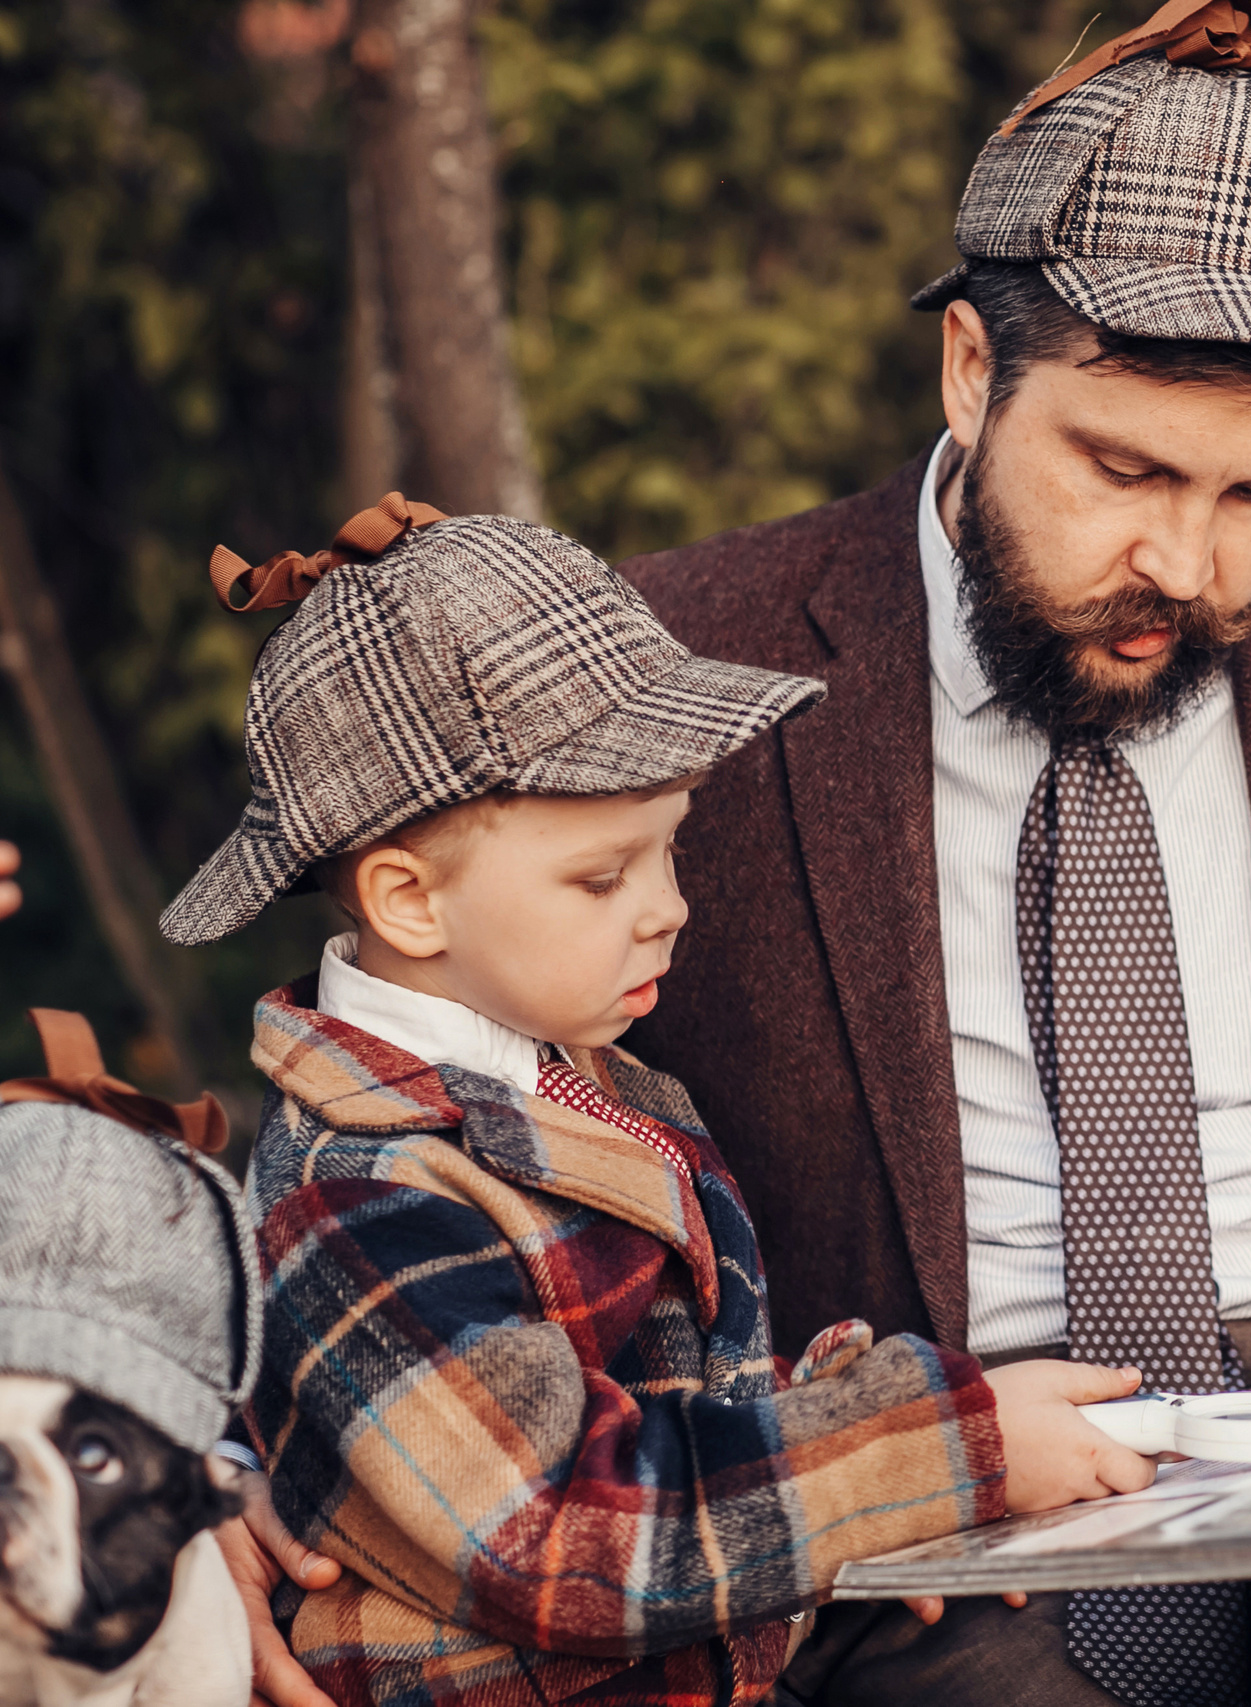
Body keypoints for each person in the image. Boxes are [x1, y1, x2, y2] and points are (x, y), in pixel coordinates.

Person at [235, 6, 1251, 1705]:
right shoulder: (676, 668)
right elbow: (391, 1083)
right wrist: (232, 1468)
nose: (1185, 561)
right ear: (971, 370)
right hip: (907, 1485)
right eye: (1123, 468)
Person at [160, 496, 1156, 1704]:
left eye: (668, 847)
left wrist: (866, 1469)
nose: (666, 905)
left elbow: (674, 1398)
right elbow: (565, 1533)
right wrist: (938, 1451)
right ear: (409, 903)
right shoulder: (360, 1192)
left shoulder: (576, 1075)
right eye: (601, 875)